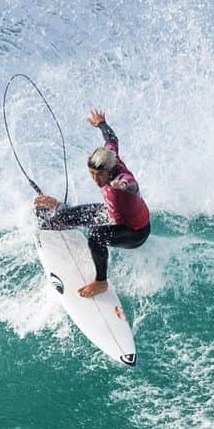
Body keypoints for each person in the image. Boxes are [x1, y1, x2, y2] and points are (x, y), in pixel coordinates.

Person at [34, 109, 151, 297]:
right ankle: (58, 210)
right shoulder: (110, 154)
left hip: (135, 232)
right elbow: (112, 139)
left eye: (99, 175)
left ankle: (101, 282)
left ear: (109, 169)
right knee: (60, 217)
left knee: (96, 236)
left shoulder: (122, 178)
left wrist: (121, 185)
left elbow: (132, 186)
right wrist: (101, 124)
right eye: (91, 174)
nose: (95, 179)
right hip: (112, 213)